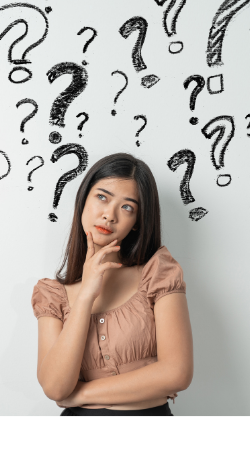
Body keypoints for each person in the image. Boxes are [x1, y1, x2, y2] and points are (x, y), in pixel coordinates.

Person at [31, 152, 193, 416]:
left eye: (127, 207)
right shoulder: (53, 295)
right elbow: (55, 387)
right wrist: (85, 297)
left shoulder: (158, 274)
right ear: (83, 200)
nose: (110, 215)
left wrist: (80, 394)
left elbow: (177, 373)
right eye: (102, 197)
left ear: (137, 222)